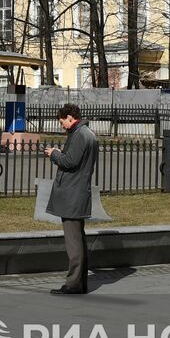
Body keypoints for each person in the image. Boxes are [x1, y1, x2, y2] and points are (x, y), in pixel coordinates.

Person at [44, 103, 99, 295]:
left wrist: (54, 154)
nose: (61, 126)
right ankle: (80, 283)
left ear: (70, 118)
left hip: (72, 195)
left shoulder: (80, 135)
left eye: (62, 122)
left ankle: (73, 284)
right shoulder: (87, 134)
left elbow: (70, 162)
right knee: (79, 240)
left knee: (73, 243)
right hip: (78, 192)